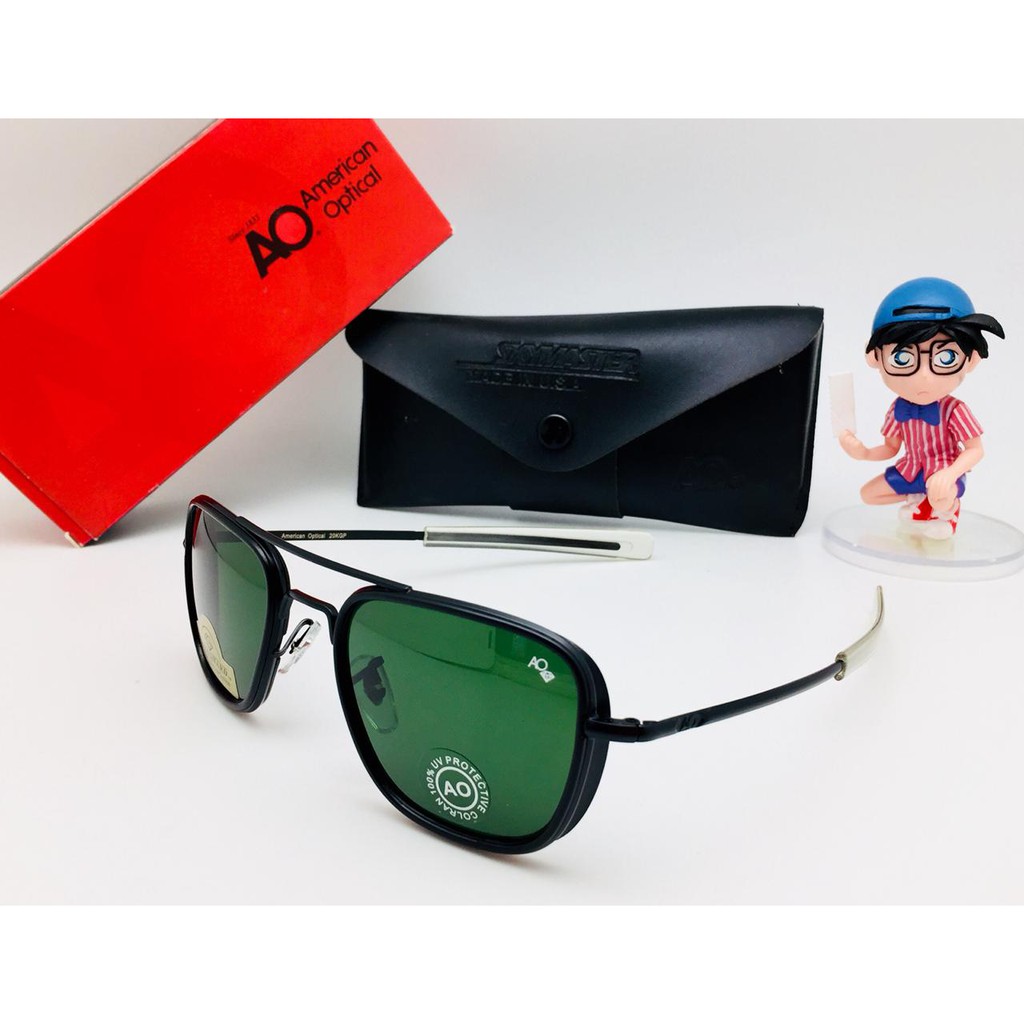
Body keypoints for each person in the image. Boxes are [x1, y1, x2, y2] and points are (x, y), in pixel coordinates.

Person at [840, 277, 1004, 539]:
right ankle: (920, 503)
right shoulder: (897, 409)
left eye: (945, 357)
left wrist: (950, 474)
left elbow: (975, 450)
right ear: (875, 358)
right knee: (869, 494)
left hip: (944, 473)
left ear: (971, 359)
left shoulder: (954, 410)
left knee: (940, 494)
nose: (924, 376)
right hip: (911, 470)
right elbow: (890, 448)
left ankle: (947, 512)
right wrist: (863, 452)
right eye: (903, 358)